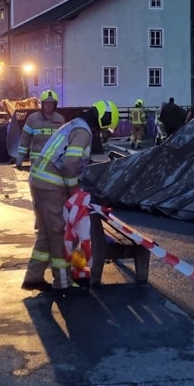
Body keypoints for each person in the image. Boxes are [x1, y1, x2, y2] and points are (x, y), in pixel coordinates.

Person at [22, 99, 119, 292]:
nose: (101, 134)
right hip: (51, 185)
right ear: (100, 121)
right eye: (103, 129)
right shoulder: (83, 132)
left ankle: (33, 277)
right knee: (59, 232)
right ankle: (63, 283)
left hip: (40, 181)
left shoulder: (73, 124)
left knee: (46, 231)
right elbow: (69, 164)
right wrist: (74, 189)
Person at [16, 90, 65, 169]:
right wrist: (20, 158)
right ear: (42, 104)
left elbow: (64, 141)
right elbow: (25, 140)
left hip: (54, 161)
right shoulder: (32, 119)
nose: (49, 105)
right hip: (37, 161)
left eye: (51, 103)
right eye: (46, 103)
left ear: (55, 104)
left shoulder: (60, 119)